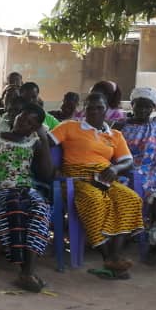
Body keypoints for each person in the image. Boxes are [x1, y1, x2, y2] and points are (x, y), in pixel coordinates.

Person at [50, 93, 143, 280]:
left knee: (131, 199)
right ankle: (108, 257)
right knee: (95, 200)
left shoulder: (115, 135)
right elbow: (45, 142)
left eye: (99, 108)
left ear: (107, 110)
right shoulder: (69, 126)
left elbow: (127, 162)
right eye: (90, 108)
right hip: (77, 178)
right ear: (83, 110)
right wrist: (52, 169)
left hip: (105, 176)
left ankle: (114, 256)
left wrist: (115, 169)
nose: (94, 111)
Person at [0, 102, 53, 291]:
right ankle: (25, 271)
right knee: (13, 205)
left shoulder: (34, 142)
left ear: (35, 127)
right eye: (22, 117)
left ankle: (27, 272)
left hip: (26, 189)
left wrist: (44, 139)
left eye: (30, 123)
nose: (23, 123)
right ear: (16, 115)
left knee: (40, 207)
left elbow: (48, 174)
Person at [114, 87, 156, 193]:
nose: (142, 110)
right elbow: (110, 148)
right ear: (132, 105)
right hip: (123, 169)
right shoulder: (120, 125)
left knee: (142, 185)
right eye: (139, 105)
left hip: (151, 172)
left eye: (147, 106)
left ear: (153, 108)